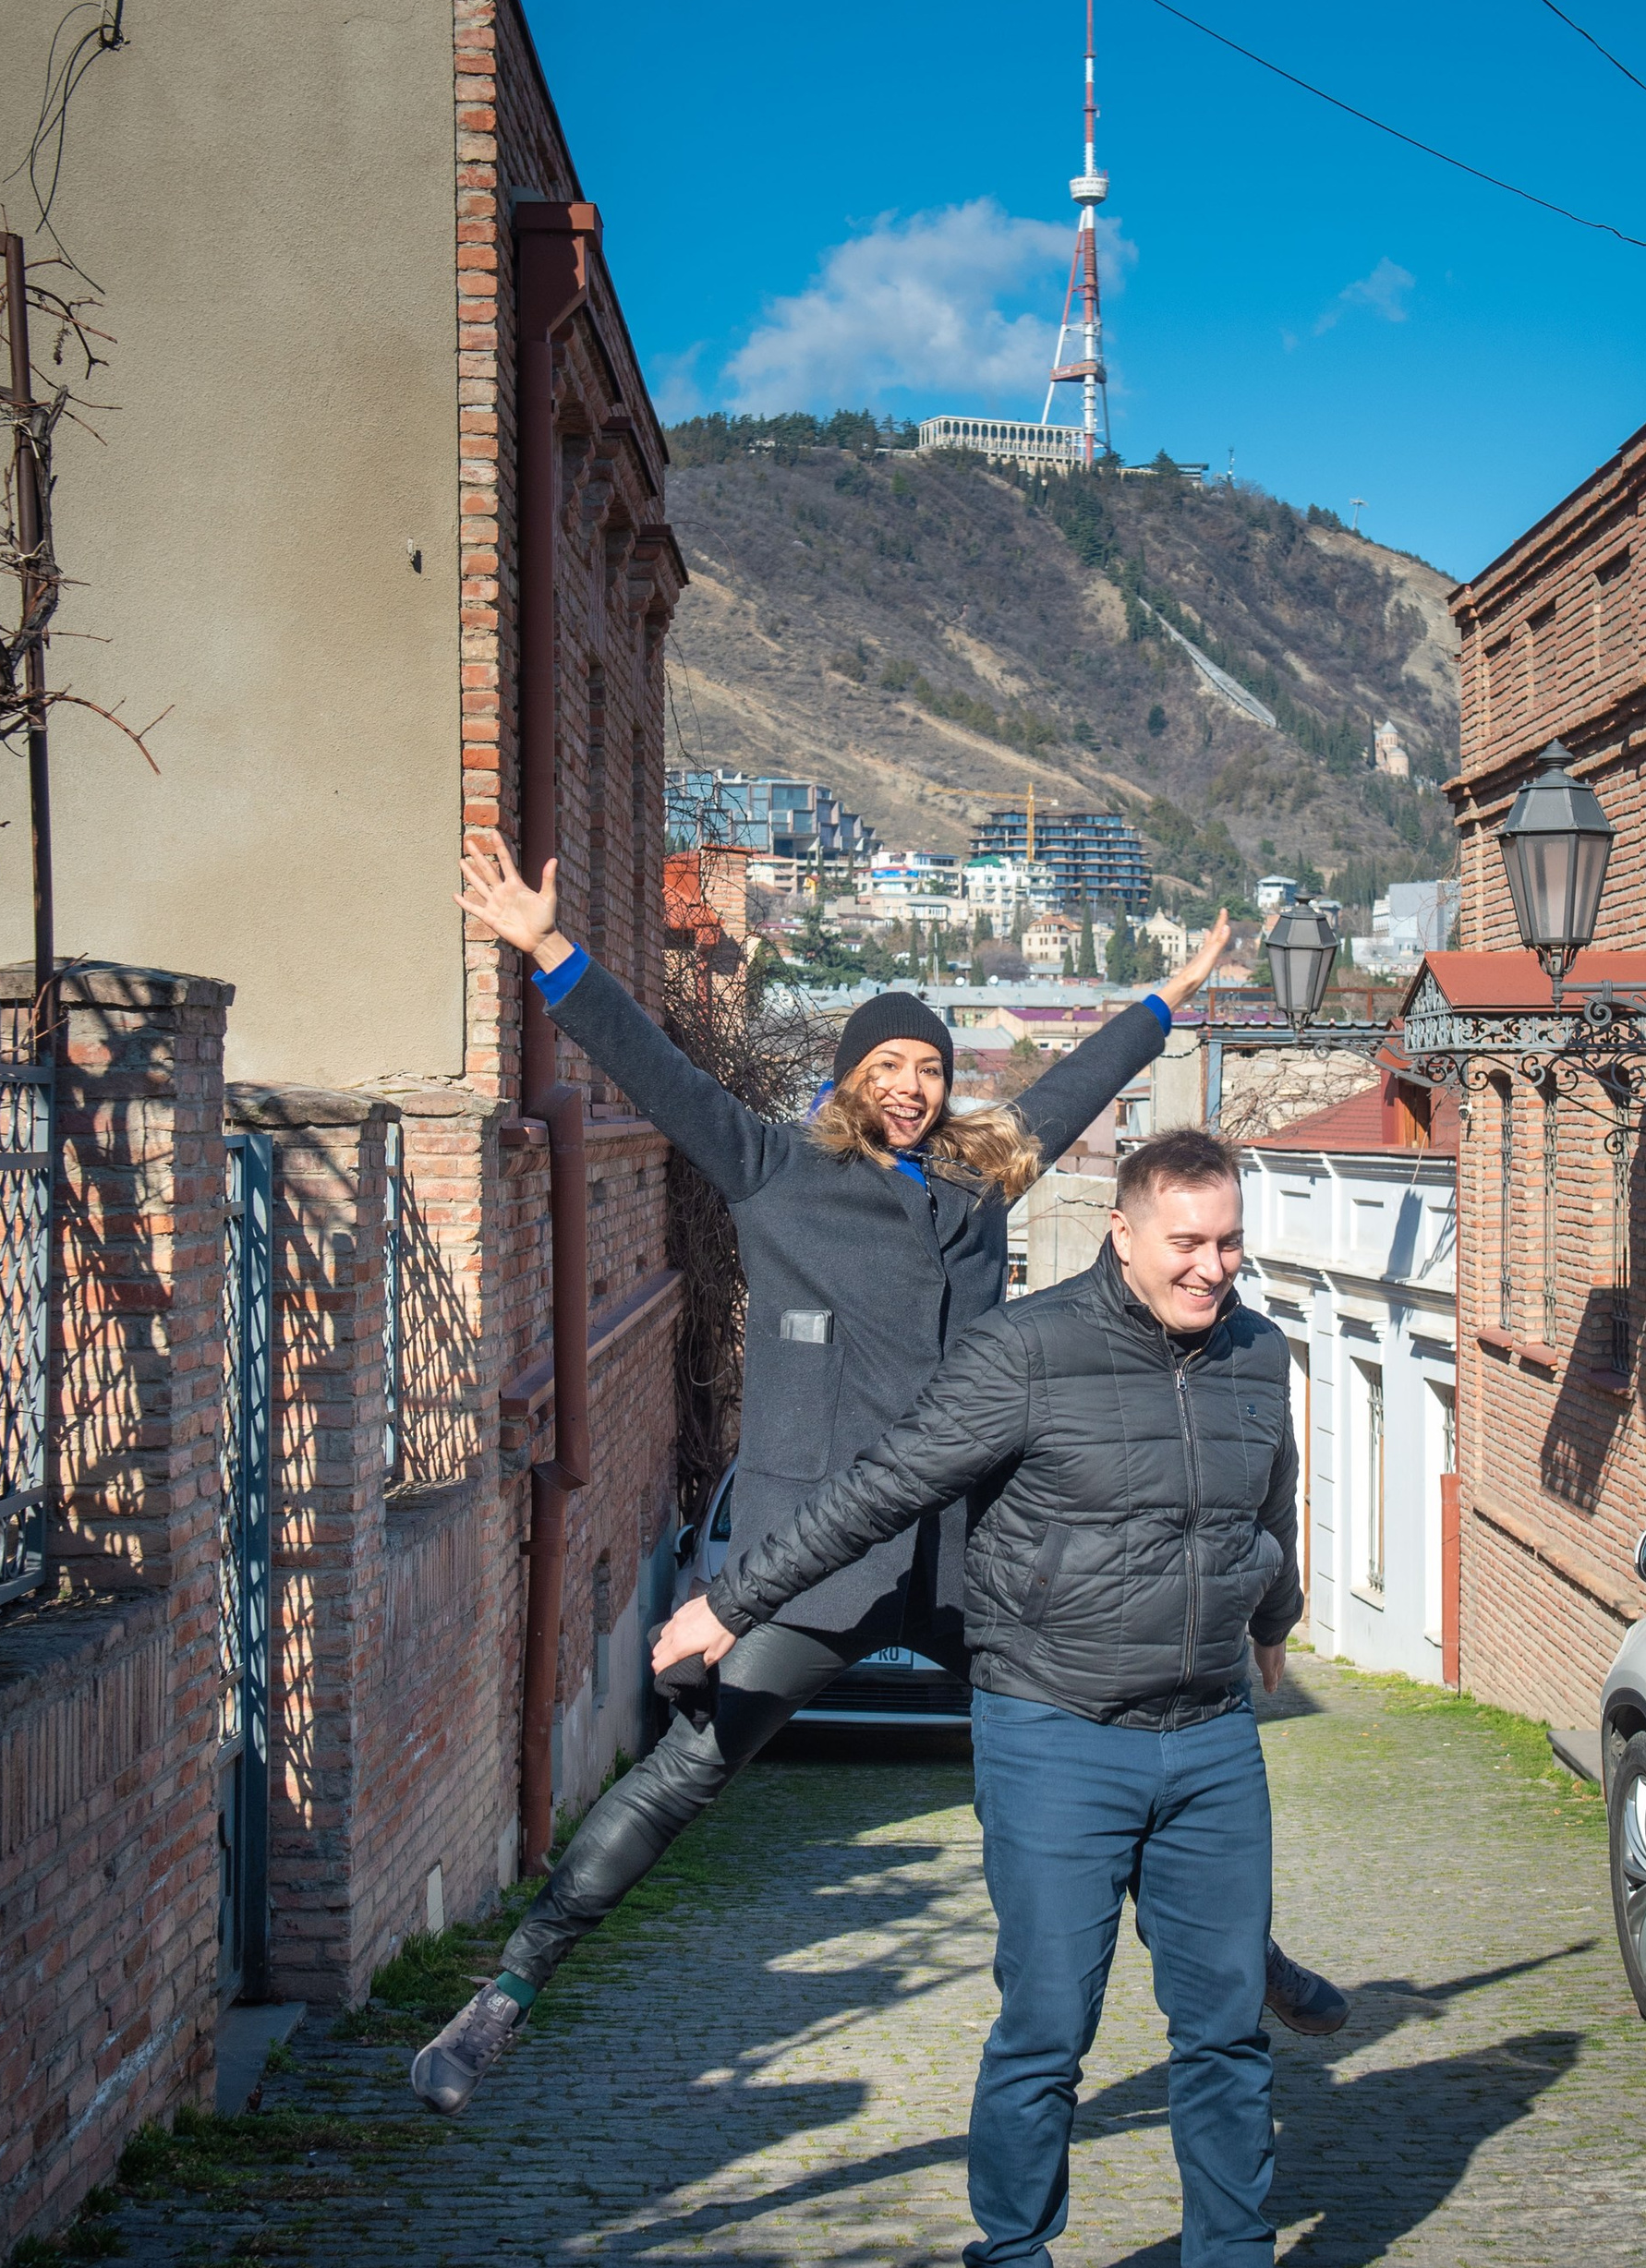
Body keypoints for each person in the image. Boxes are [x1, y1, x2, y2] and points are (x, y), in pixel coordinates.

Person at [410, 837, 1349, 2116]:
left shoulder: (976, 1189)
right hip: (822, 1558)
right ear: (853, 1074)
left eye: (930, 1069)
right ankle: (503, 2000)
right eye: (890, 1065)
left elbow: (1075, 1088)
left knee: (1106, 1741)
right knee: (690, 1771)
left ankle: (1253, 1962)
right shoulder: (775, 1171)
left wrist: (1170, 995)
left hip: (974, 1562)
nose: (911, 1087)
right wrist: (547, 950)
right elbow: (657, 1069)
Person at [651, 1126, 1337, 2268]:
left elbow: (1267, 1506)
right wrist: (735, 1602)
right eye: (1187, 1242)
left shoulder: (1257, 1354)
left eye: (1230, 1242)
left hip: (1207, 1740)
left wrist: (1271, 1626)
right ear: (1122, 1232)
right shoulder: (1026, 1352)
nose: (1213, 1269)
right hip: (1053, 1733)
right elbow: (882, 1488)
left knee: (1226, 2032)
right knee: (1046, 2029)